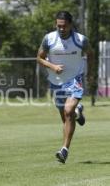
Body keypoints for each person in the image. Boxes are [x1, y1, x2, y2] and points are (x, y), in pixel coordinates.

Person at [37, 11, 94, 164]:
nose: (61, 29)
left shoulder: (81, 40)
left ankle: (64, 150)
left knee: (68, 112)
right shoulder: (49, 39)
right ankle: (78, 110)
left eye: (64, 26)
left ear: (70, 24)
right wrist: (53, 66)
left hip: (75, 78)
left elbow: (90, 54)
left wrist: (90, 74)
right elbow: (39, 58)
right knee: (65, 117)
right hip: (56, 81)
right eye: (59, 25)